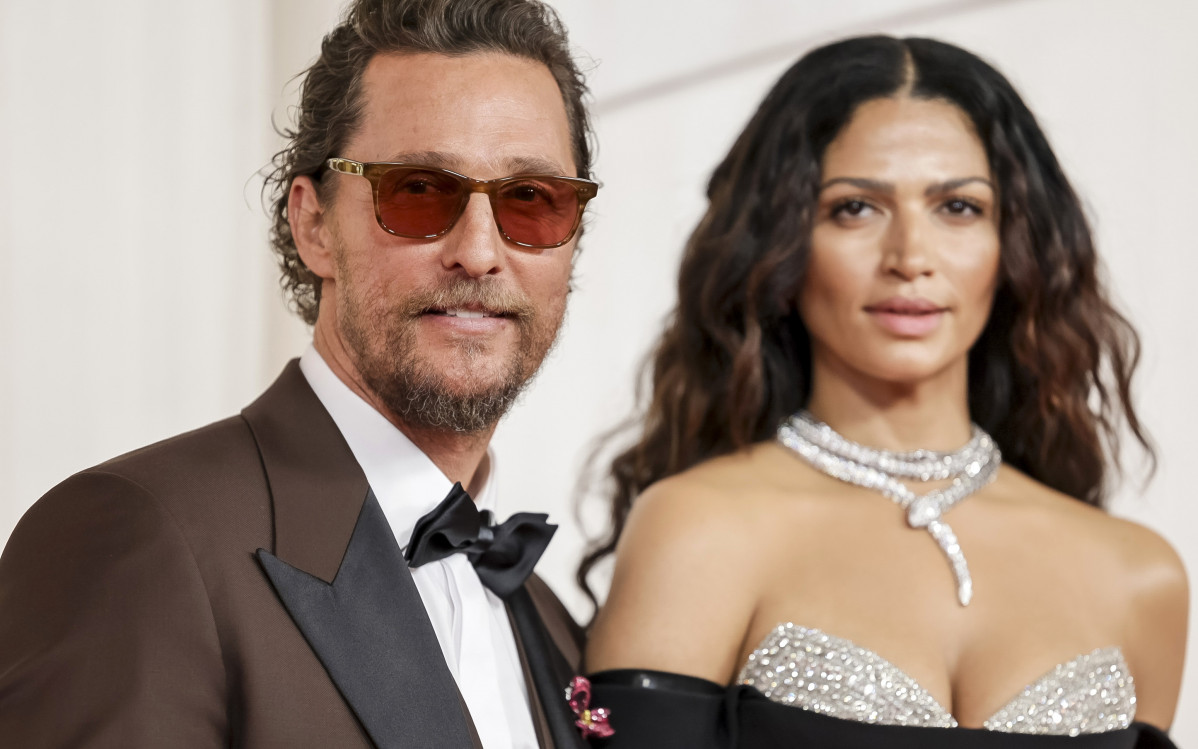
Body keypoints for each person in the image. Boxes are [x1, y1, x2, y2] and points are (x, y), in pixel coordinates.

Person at [0, 1, 597, 747]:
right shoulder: (139, 538)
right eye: (417, 190)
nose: (478, 252)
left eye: (532, 201)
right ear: (313, 224)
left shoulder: (548, 618)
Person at [576, 35, 1187, 748]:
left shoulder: (1141, 577)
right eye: (855, 208)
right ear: (782, 242)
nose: (911, 259)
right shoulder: (698, 530)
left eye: (957, 207)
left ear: (1014, 243)